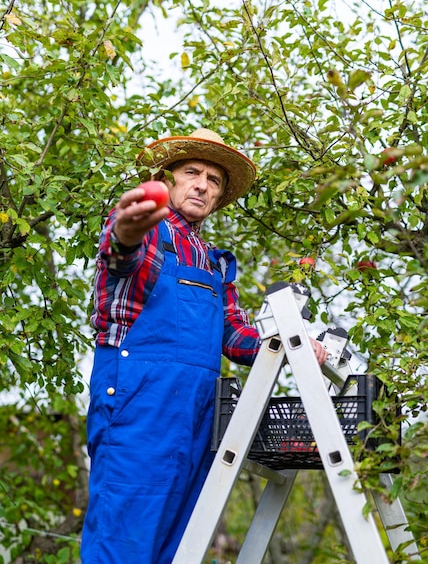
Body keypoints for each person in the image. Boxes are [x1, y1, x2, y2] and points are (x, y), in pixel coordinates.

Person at [81, 128, 328, 564]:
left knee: (179, 546)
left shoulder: (212, 259)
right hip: (140, 410)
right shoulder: (150, 231)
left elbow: (234, 335)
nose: (203, 184)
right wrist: (125, 229)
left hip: (196, 415)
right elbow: (121, 254)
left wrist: (294, 343)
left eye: (213, 180)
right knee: (123, 538)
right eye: (192, 172)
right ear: (168, 179)